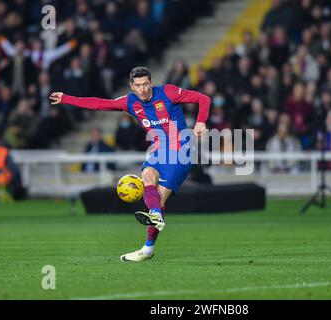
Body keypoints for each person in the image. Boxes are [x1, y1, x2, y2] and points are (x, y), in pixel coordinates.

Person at [49, 66, 210, 261]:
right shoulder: (130, 102)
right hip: (159, 150)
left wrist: (201, 121)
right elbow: (99, 104)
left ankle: (151, 236)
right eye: (138, 86)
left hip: (182, 150)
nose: (143, 89)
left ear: (151, 82)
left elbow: (203, 98)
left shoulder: (167, 92)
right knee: (147, 176)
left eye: (145, 84)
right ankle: (151, 237)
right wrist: (66, 98)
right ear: (132, 86)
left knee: (158, 200)